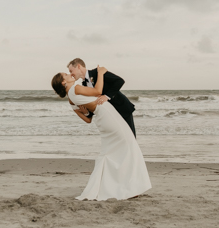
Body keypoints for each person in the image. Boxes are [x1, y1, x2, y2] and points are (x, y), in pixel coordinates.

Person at [51, 67, 151, 201]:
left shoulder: (70, 100)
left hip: (101, 119)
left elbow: (88, 119)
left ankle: (111, 185)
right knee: (129, 145)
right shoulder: (75, 89)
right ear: (63, 83)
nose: (69, 74)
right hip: (108, 115)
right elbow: (98, 91)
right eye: (66, 75)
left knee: (110, 151)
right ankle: (129, 187)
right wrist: (101, 74)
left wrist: (86, 112)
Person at [67, 58, 136, 137]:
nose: (71, 74)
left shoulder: (98, 72)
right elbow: (94, 105)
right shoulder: (84, 85)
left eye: (71, 71)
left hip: (122, 108)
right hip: (111, 115)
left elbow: (119, 81)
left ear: (78, 66)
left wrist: (106, 96)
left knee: (131, 137)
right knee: (120, 138)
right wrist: (86, 113)